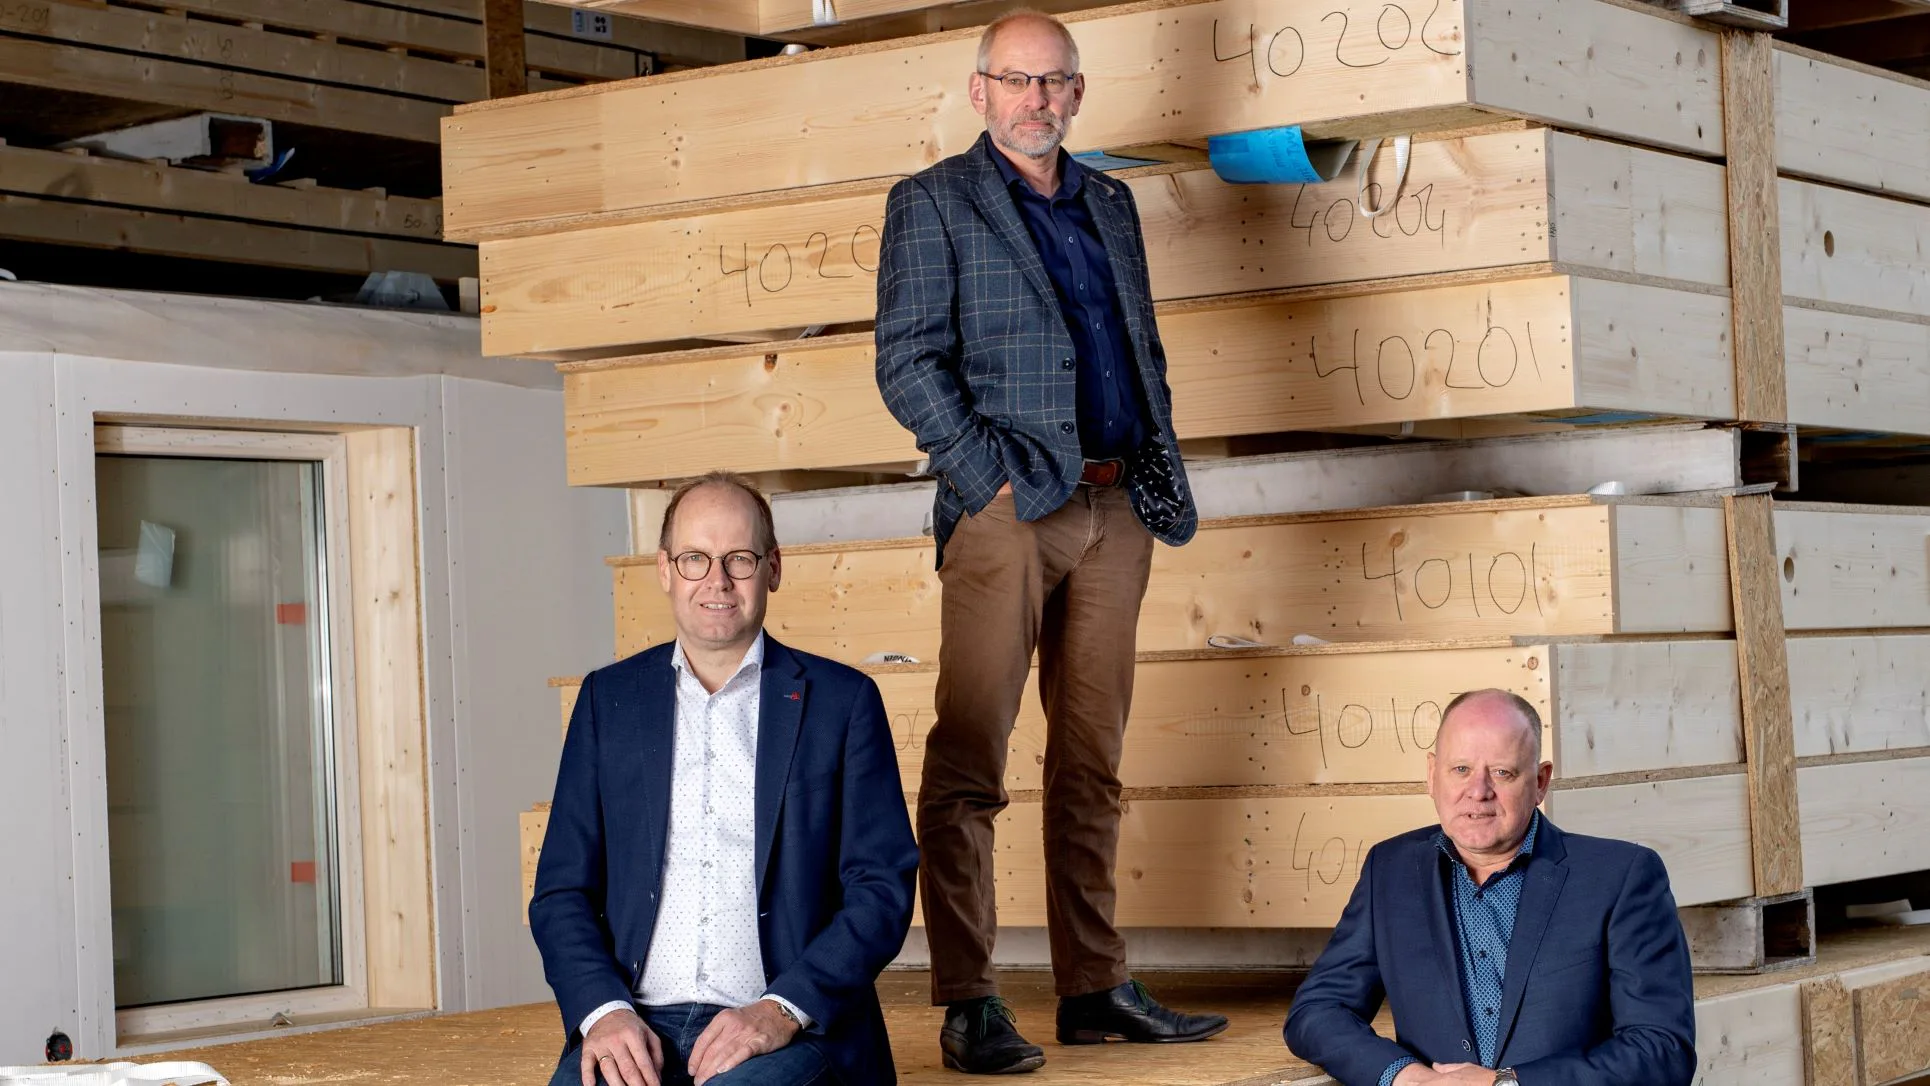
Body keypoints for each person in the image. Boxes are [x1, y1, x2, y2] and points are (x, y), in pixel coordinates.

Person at [873, 9, 1222, 1076]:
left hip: (1118, 507)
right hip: (1006, 513)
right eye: (1016, 81)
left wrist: (1156, 466)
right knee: (969, 757)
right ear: (978, 91)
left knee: (1091, 762)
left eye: (1055, 82)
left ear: (1077, 92)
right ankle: (969, 998)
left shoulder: (1110, 202)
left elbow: (1134, 348)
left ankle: (1092, 986)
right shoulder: (932, 203)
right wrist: (986, 481)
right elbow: (906, 362)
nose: (1037, 100)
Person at [531, 472, 919, 1086]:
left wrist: (781, 1009)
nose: (717, 580)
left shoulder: (842, 703)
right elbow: (561, 892)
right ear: (664, 569)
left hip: (786, 1030)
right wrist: (603, 1013)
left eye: (739, 558)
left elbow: (882, 889)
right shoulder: (608, 700)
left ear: (773, 568)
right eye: (695, 558)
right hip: (635, 1023)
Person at [1284, 689, 1696, 1086]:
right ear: (1432, 775)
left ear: (1540, 782)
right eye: (1460, 769)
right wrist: (1405, 1076)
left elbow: (1662, 1049)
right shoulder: (1390, 871)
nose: (1477, 792)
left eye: (1502, 772)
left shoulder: (1621, 877)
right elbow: (1318, 1010)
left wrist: (1508, 1084)